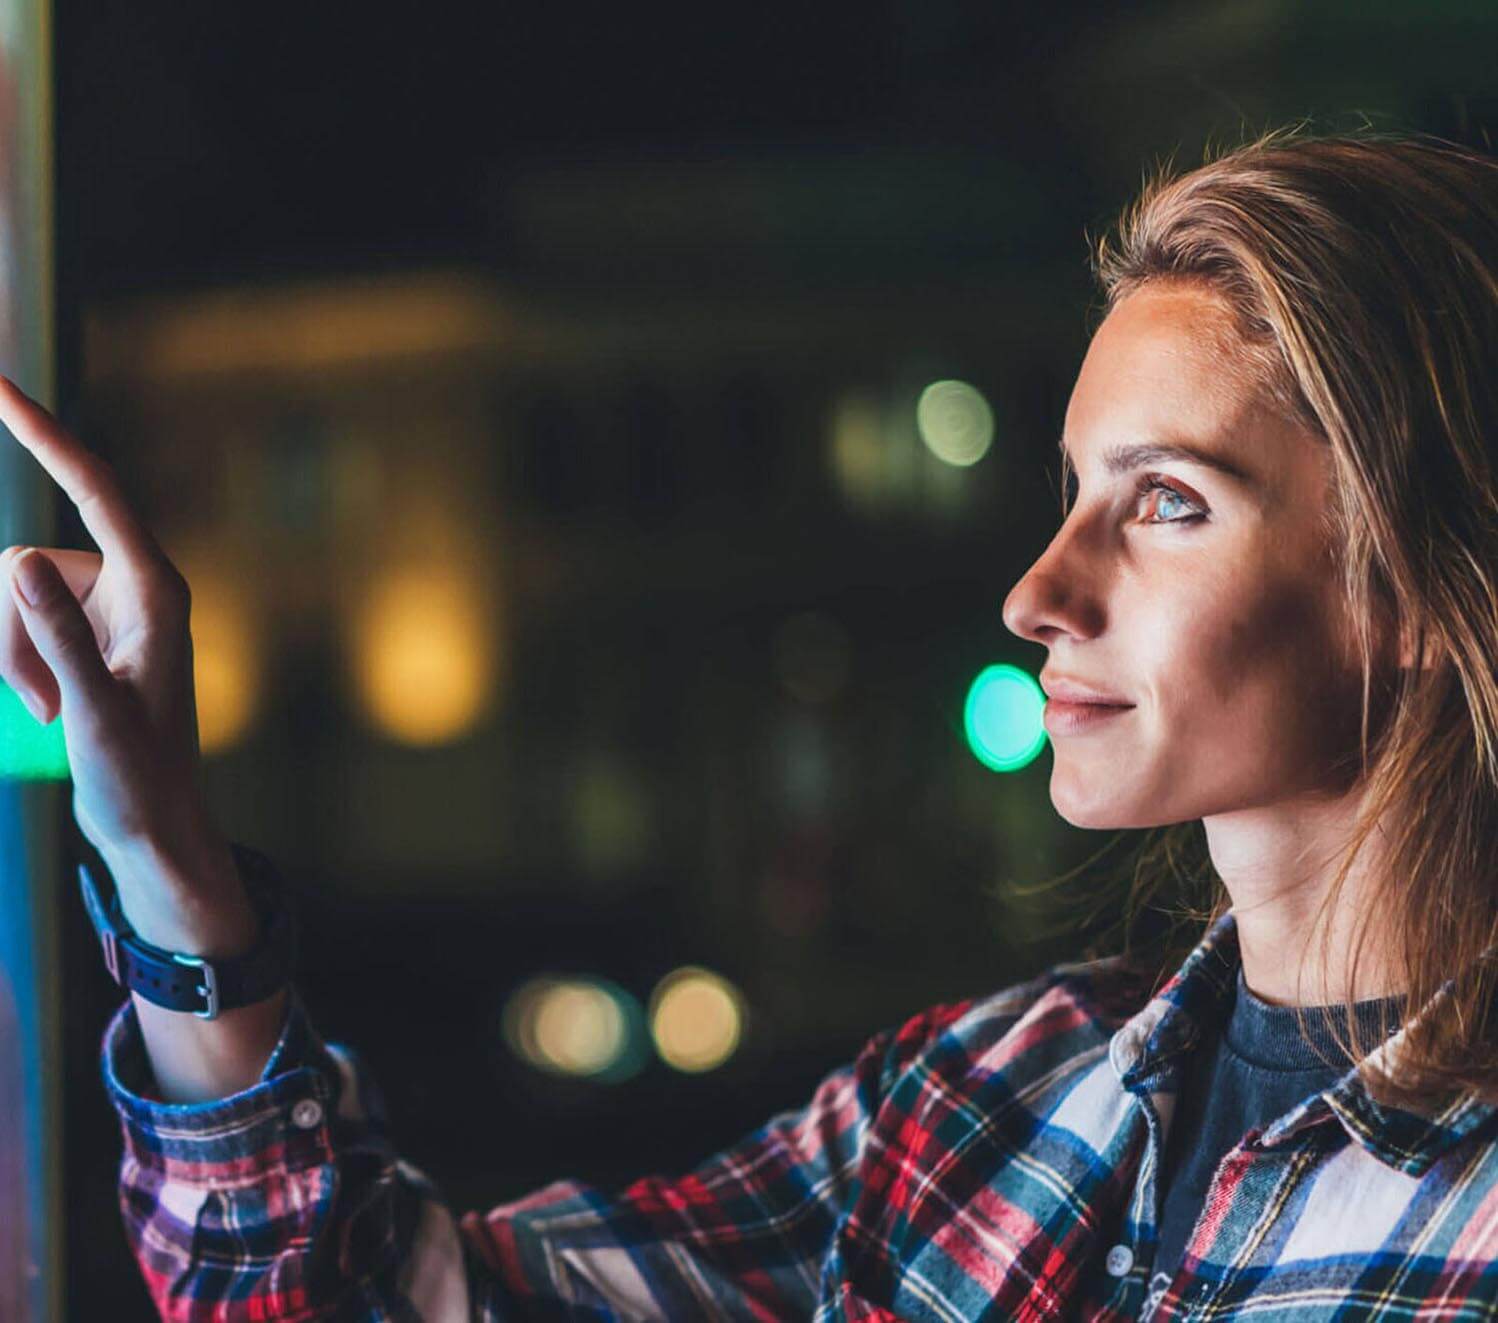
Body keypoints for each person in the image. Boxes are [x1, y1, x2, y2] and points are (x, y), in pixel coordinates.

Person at [5, 122, 1498, 1319]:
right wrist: (169, 875)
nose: (1040, 590)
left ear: (1426, 586)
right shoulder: (980, 1105)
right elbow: (346, 1296)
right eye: (1072, 492)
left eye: (1168, 503)